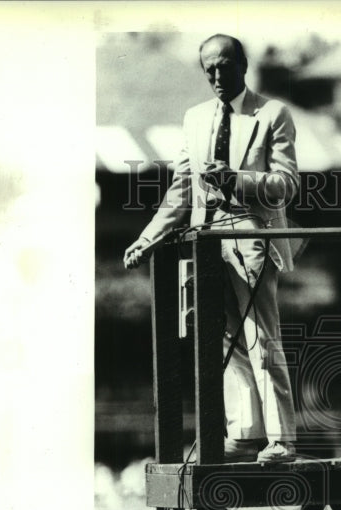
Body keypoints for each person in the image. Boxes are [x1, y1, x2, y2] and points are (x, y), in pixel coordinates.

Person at [124, 34, 299, 463]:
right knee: (224, 339)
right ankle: (244, 434)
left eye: (224, 66)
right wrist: (148, 237)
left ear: (243, 65)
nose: (217, 76)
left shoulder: (272, 114)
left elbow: (286, 184)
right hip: (206, 242)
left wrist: (237, 180)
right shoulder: (195, 117)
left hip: (253, 237)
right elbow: (182, 188)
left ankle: (282, 440)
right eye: (209, 69)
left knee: (261, 337)